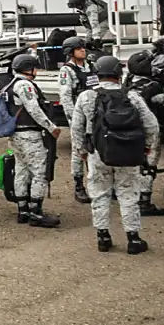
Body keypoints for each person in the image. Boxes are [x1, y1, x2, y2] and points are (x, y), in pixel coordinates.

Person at [70, 56, 161, 254]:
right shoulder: (132, 96)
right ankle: (133, 238)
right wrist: (145, 148)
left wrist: (81, 152)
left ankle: (103, 237)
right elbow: (152, 125)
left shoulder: (86, 96)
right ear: (119, 74)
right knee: (128, 194)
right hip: (128, 153)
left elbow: (76, 129)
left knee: (100, 195)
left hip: (98, 153)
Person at [5, 54, 62, 228]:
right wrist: (51, 127)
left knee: (21, 170)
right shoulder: (24, 85)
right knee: (39, 172)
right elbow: (34, 109)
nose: (37, 71)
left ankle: (22, 210)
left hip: (16, 135)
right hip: (29, 135)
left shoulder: (10, 84)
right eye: (35, 67)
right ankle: (36, 212)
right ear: (28, 68)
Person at [123, 51, 164, 216]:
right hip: (150, 132)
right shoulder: (153, 87)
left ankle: (130, 196)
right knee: (149, 166)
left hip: (131, 131)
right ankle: (144, 202)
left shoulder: (127, 85)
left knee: (133, 165)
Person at [58, 36, 97, 204]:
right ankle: (79, 186)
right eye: (79, 48)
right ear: (70, 52)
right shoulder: (67, 71)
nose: (83, 50)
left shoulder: (92, 67)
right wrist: (74, 118)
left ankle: (99, 185)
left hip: (95, 115)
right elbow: (65, 96)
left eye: (83, 47)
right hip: (79, 116)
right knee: (79, 151)